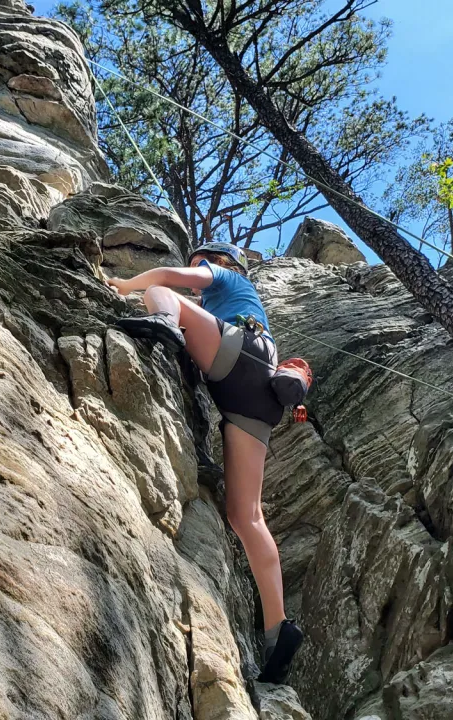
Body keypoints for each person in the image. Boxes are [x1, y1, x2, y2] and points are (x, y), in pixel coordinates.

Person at [105, 241, 304, 684]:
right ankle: (278, 629)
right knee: (245, 516)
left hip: (239, 356)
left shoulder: (228, 277)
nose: (201, 270)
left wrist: (122, 286)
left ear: (223, 263)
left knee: (159, 294)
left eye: (205, 262)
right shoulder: (234, 300)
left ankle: (162, 323)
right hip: (256, 398)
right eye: (200, 263)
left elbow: (166, 278)